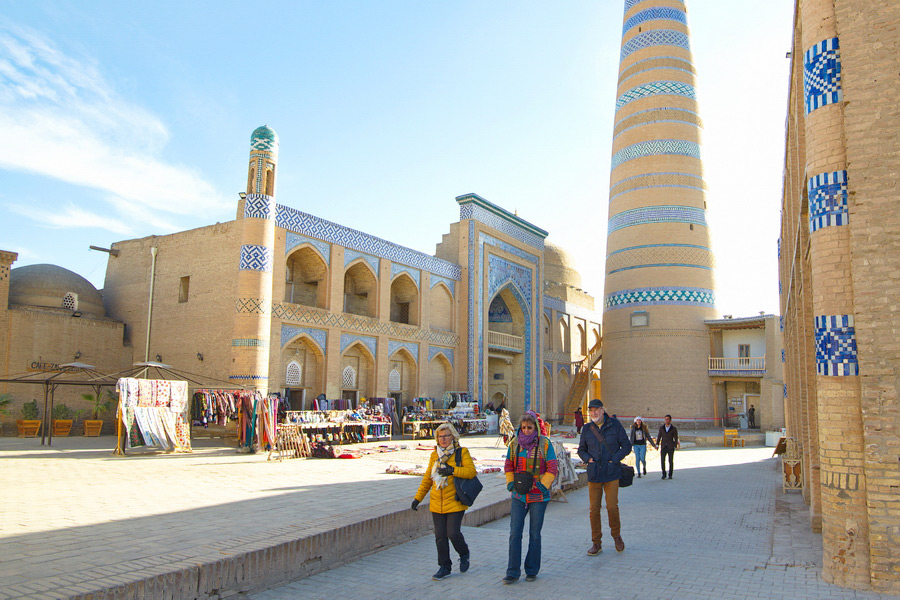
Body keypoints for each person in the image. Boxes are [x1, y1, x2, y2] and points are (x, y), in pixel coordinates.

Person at [411, 422, 477, 580]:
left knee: (453, 533)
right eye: (440, 436)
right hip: (437, 501)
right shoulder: (435, 455)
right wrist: (417, 498)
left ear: (453, 436)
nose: (443, 439)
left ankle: (464, 553)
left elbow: (471, 472)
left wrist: (453, 470)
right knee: (440, 536)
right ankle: (444, 566)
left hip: (455, 500)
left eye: (446, 436)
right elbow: (428, 478)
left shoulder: (461, 452)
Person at [503, 411, 557, 584]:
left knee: (534, 534)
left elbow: (552, 467)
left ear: (535, 427)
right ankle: (512, 571)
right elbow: (508, 465)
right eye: (524, 427)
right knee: (514, 533)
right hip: (519, 495)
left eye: (530, 427)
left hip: (538, 496)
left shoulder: (544, 444)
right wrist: (510, 482)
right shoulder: (515, 444)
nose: (526, 431)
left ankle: (532, 570)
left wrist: (544, 485)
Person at [577, 399, 631, 556]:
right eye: (591, 411)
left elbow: (626, 445)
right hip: (594, 474)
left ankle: (616, 536)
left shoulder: (614, 425)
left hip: (611, 472)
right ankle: (596, 542)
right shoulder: (587, 429)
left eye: (596, 410)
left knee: (612, 507)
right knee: (594, 510)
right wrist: (589, 459)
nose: (593, 413)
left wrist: (615, 459)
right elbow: (581, 449)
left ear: (602, 410)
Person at [655, 414, 680, 480]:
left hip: (670, 446)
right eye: (665, 419)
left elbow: (676, 438)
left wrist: (675, 446)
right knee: (662, 460)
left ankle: (670, 474)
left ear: (670, 420)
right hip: (663, 446)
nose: (666, 420)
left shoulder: (673, 429)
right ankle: (663, 474)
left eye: (668, 419)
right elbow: (659, 436)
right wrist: (657, 444)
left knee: (670, 461)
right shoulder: (661, 428)